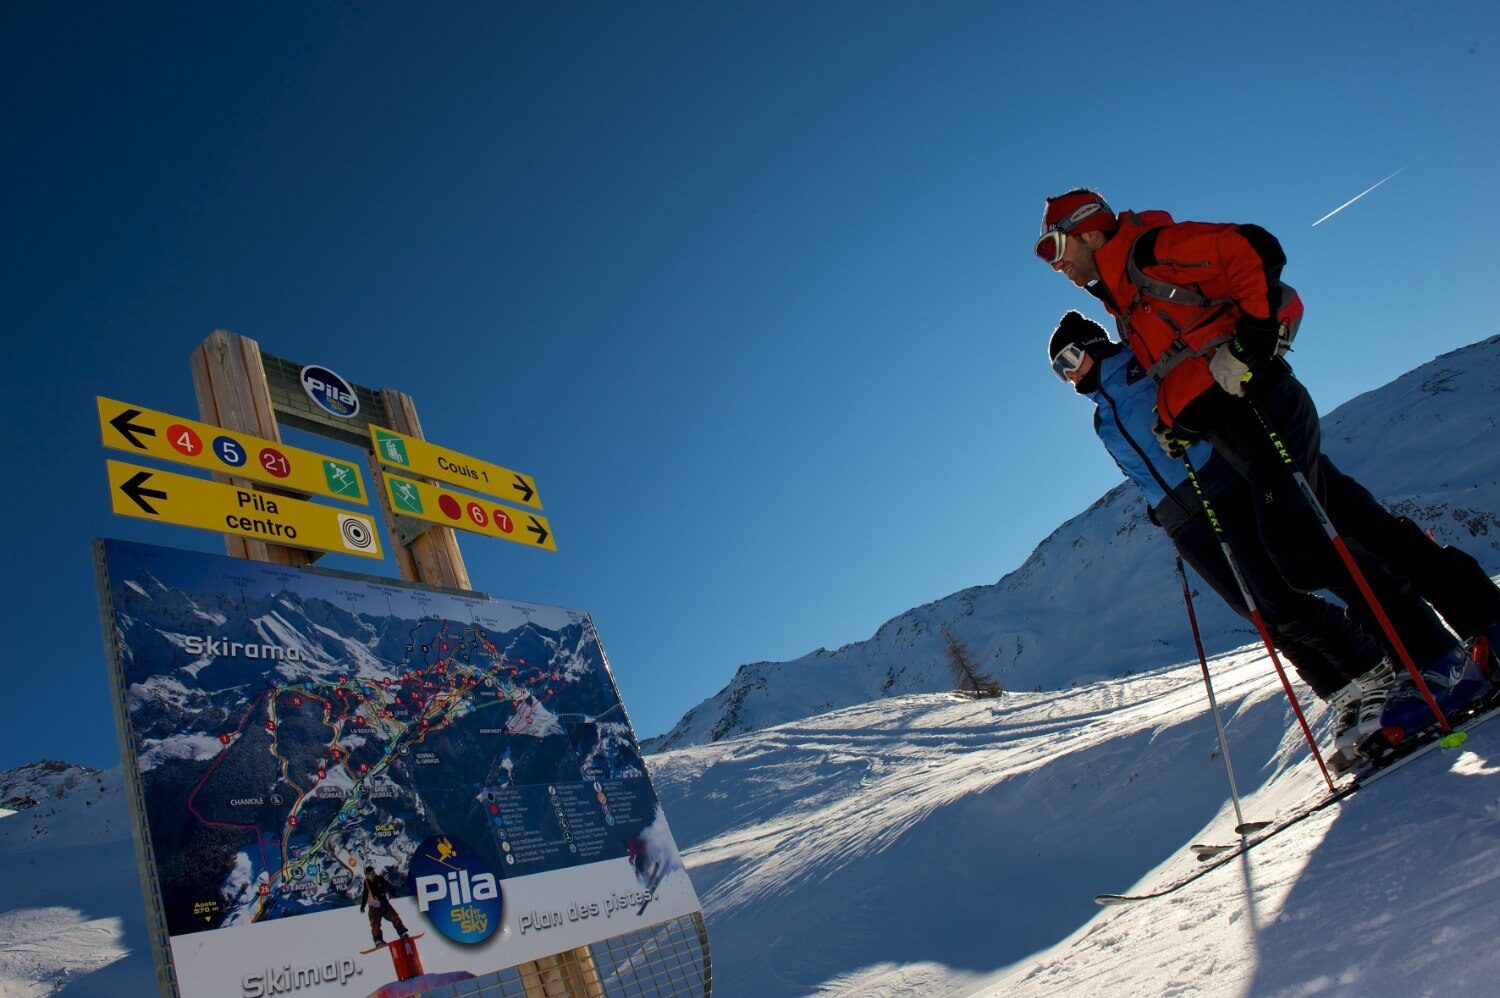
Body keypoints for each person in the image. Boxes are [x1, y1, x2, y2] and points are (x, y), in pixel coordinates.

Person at [1035, 189, 1494, 752]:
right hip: (1231, 429)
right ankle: (1479, 623)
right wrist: (1175, 422)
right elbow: (1186, 364)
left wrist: (1250, 345)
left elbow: (1252, 248)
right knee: (1359, 526)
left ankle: (1432, 664)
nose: (1054, 263)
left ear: (1086, 231)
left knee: (1307, 550)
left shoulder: (1147, 251)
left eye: (1053, 246)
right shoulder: (1124, 301)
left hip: (1258, 407)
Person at [1046, 310, 1391, 755]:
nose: (1069, 374)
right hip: (1180, 519)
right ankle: (1341, 692)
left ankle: (1370, 666)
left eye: (1069, 358)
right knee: (1258, 617)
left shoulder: (1141, 363)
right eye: (1059, 371)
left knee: (1278, 599)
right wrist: (1159, 510)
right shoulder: (1100, 421)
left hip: (1216, 484)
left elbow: (1189, 396)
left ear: (1091, 345)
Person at [359, 864, 410, 946]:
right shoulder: (366, 883)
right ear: (366, 875)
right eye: (369, 875)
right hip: (373, 907)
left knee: (394, 917)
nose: (371, 876)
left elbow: (388, 885)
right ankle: (378, 940)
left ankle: (403, 933)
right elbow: (365, 894)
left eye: (372, 873)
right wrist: (362, 907)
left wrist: (393, 892)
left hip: (384, 904)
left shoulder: (379, 879)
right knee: (375, 924)